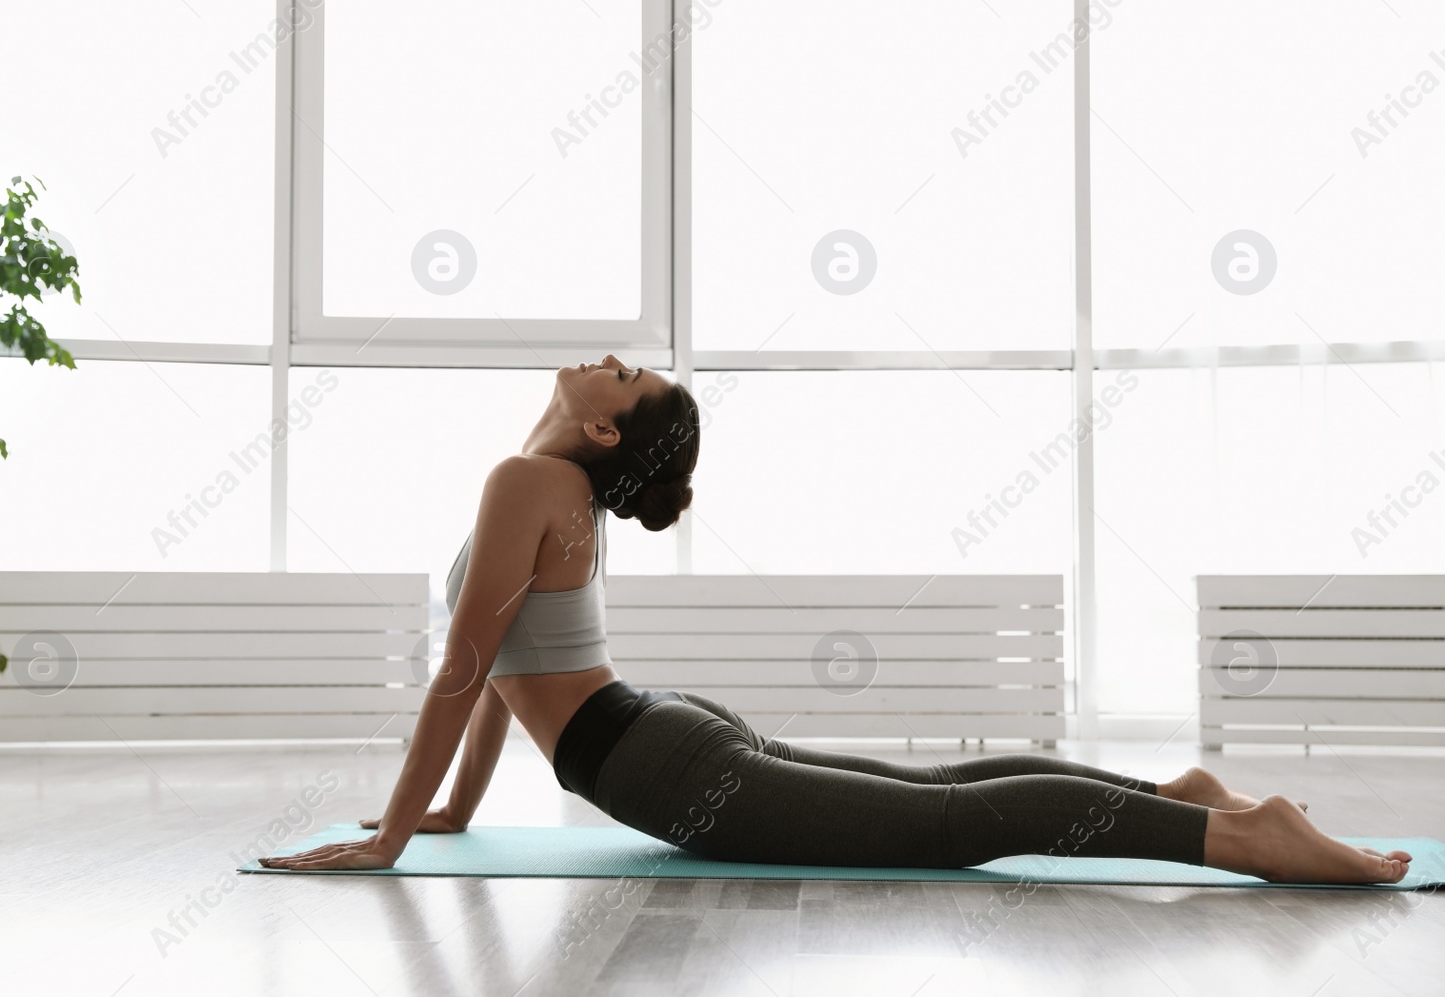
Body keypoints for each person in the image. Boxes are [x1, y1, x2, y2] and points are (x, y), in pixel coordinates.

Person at [260, 355, 1411, 885]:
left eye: (624, 378)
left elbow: (467, 664)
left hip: (658, 756)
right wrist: (452, 808)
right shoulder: (542, 481)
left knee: (947, 824)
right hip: (657, 734)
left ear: (606, 435)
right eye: (624, 368)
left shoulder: (527, 483)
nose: (609, 361)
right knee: (943, 788)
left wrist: (394, 834)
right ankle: (1180, 794)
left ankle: (1235, 833)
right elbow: (498, 661)